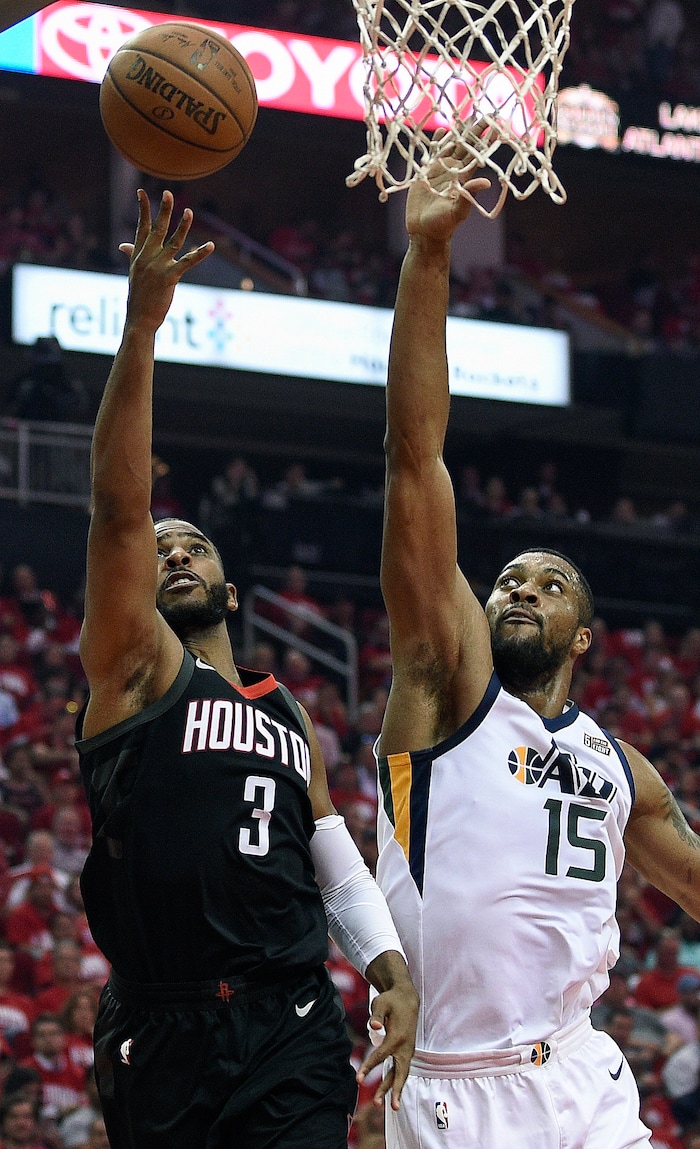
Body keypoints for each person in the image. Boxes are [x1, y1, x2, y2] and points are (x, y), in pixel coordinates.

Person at [374, 133, 700, 1149]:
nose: (519, 587)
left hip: (580, 1069)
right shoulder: (446, 685)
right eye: (509, 577)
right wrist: (427, 260)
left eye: (549, 584)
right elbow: (412, 457)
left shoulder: (620, 768)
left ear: (585, 636)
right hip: (452, 1085)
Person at [75, 189, 417, 1149]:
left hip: (292, 1022)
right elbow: (116, 509)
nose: (176, 554)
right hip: (163, 1022)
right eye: (164, 547)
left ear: (230, 592)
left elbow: (330, 851)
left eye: (196, 548)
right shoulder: (133, 670)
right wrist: (141, 327)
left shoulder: (287, 713)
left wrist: (386, 965)